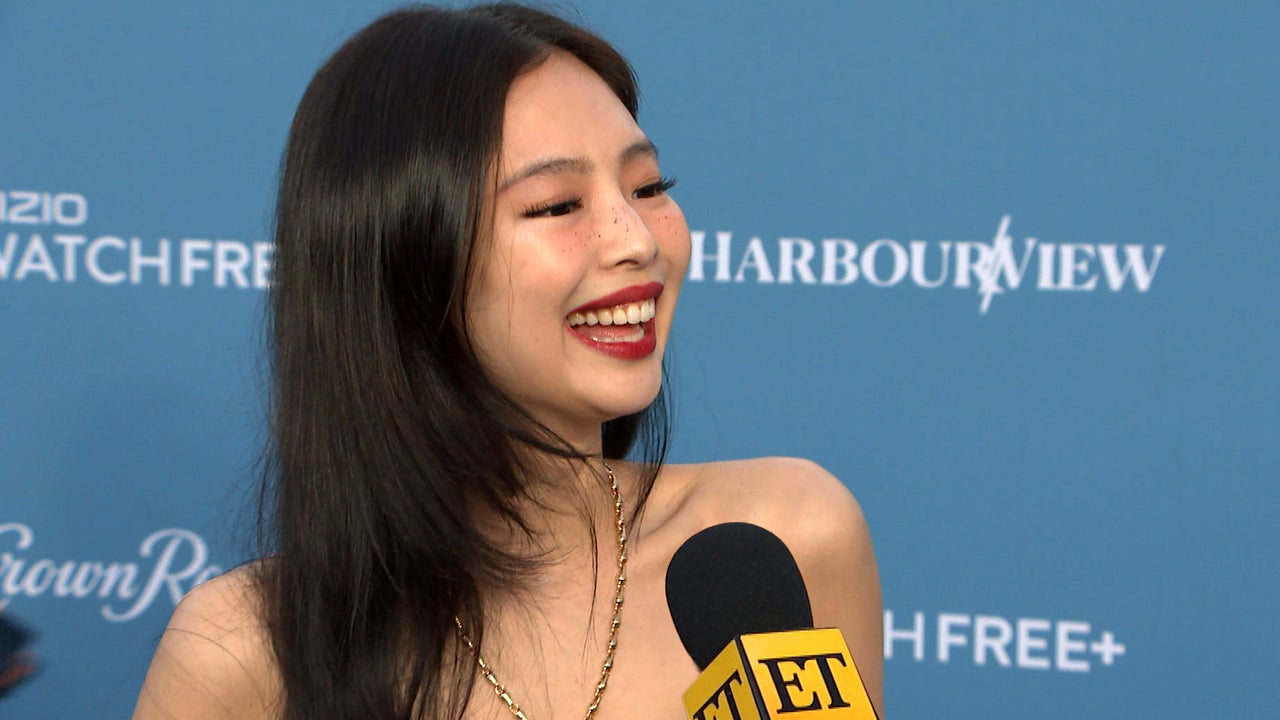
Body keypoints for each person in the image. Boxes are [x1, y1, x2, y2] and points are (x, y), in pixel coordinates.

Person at [132, 4, 882, 719]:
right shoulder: (248, 650)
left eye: (648, 187)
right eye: (558, 205)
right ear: (406, 260)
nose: (637, 240)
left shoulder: (778, 546)